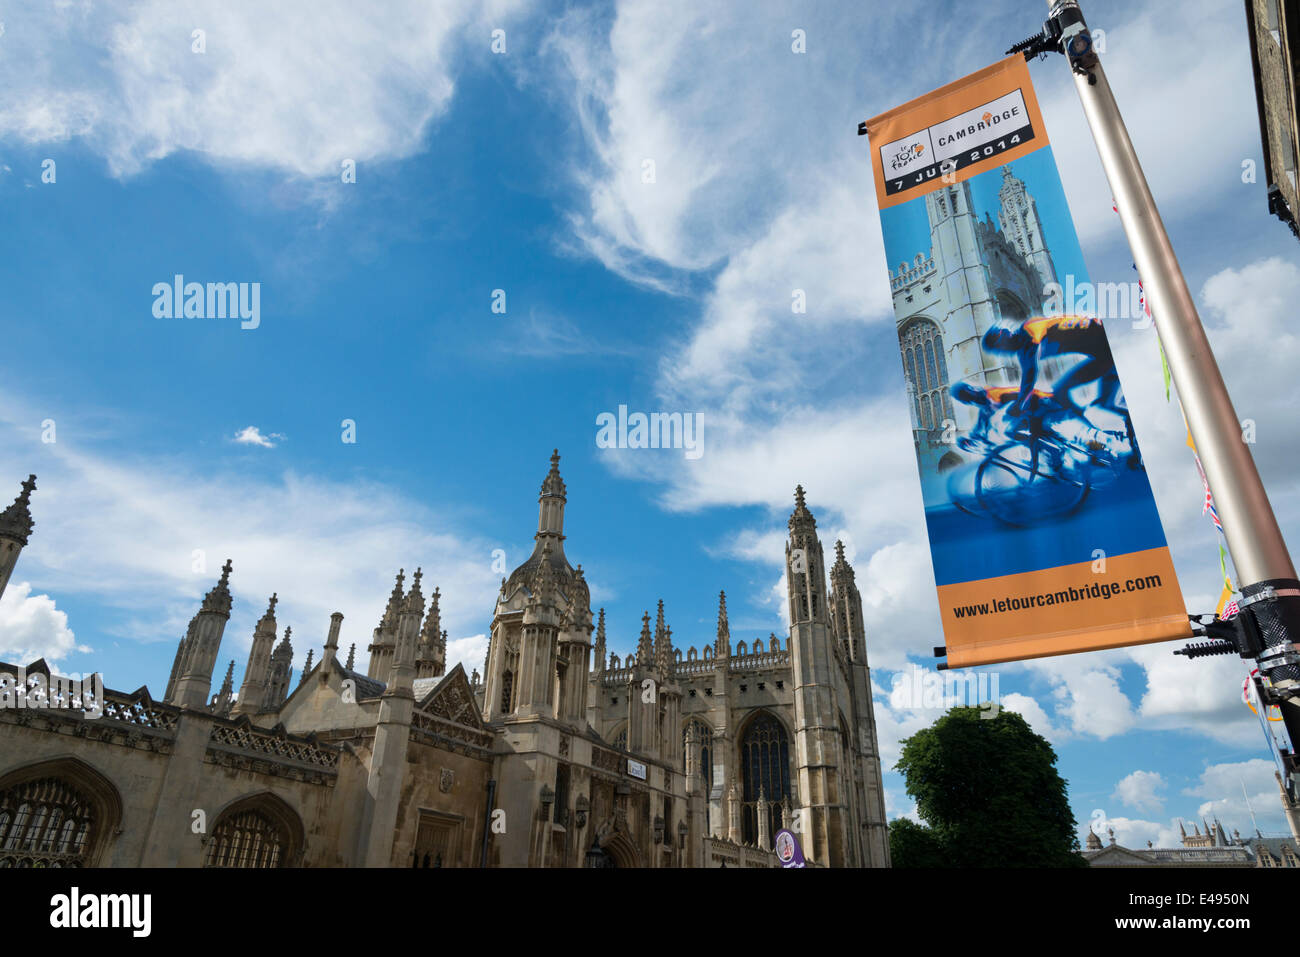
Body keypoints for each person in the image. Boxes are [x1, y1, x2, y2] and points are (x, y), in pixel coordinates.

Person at [982, 315, 1140, 467]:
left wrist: (1020, 405)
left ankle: (1107, 439)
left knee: (1060, 392)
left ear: (1003, 334)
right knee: (1107, 404)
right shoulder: (1023, 351)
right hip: (1103, 354)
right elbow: (1027, 378)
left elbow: (1030, 372)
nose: (1002, 353)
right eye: (998, 353)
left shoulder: (1028, 329)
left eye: (999, 348)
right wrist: (1021, 403)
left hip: (1108, 340)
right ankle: (1120, 441)